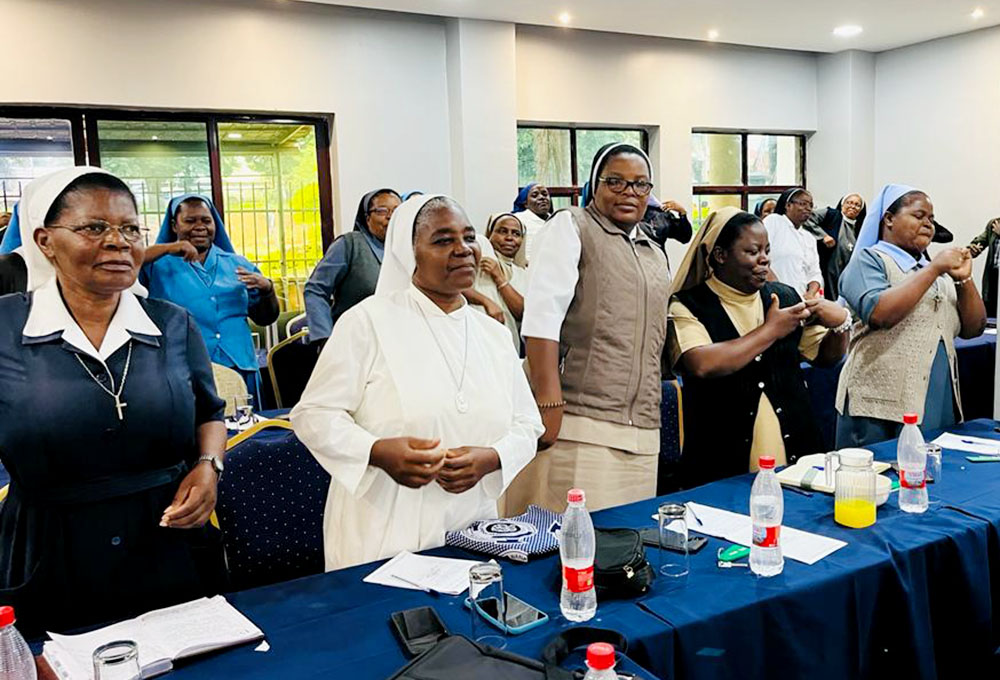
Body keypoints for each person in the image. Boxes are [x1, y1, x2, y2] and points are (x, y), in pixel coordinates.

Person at [0, 167, 227, 635]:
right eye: (94, 227)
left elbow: (209, 413)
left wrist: (208, 467)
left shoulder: (172, 323)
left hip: (168, 539)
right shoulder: (5, 328)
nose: (119, 242)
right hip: (51, 547)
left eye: (129, 229)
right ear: (45, 241)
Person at [290, 194, 542, 571]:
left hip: (472, 524)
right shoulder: (367, 322)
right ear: (409, 254)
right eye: (443, 240)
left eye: (469, 237)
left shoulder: (492, 333)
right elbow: (314, 414)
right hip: (384, 525)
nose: (463, 250)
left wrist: (491, 458)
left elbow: (528, 425)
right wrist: (376, 451)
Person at [506, 142, 671, 514]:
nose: (629, 192)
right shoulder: (572, 226)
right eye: (616, 181)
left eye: (640, 184)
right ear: (595, 185)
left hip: (642, 428)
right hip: (581, 420)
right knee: (575, 544)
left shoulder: (651, 250)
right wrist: (549, 404)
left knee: (625, 547)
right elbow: (541, 320)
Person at [669, 208, 850, 486]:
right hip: (720, 462)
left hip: (796, 456)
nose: (764, 260)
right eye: (753, 252)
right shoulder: (688, 304)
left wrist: (840, 326)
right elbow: (702, 363)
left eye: (767, 250)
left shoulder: (784, 296)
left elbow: (825, 357)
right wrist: (770, 331)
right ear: (720, 255)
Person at [836, 185, 987, 448]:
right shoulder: (870, 260)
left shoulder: (935, 272)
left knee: (926, 480)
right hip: (876, 404)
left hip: (934, 398)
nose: (928, 224)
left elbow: (973, 328)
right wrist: (936, 267)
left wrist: (964, 279)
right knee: (874, 482)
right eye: (919, 216)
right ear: (889, 219)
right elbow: (880, 313)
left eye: (931, 218)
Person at [141, 194, 278, 397]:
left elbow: (265, 318)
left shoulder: (238, 264)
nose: (200, 226)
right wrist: (169, 248)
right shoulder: (156, 266)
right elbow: (126, 259)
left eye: (206, 220)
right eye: (190, 221)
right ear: (174, 225)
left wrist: (268, 289)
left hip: (239, 366)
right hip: (184, 369)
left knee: (247, 427)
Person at [303, 188, 401, 346]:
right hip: (354, 342)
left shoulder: (408, 250)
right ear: (367, 218)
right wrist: (325, 338)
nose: (390, 217)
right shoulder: (350, 245)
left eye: (397, 211)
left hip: (395, 341)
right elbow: (315, 290)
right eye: (382, 211)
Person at [473, 212, 528, 349]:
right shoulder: (480, 250)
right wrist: (486, 302)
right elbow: (454, 287)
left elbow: (521, 312)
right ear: (490, 234)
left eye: (516, 234)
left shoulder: (522, 273)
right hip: (476, 336)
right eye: (502, 231)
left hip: (506, 343)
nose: (509, 238)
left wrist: (499, 278)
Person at [762, 188, 823, 299]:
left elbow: (814, 273)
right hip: (774, 296)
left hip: (800, 300)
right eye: (803, 204)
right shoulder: (774, 222)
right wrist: (778, 289)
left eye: (810, 205)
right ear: (788, 205)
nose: (808, 208)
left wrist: (811, 294)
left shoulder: (809, 238)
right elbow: (761, 258)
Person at [808, 193, 866, 301]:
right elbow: (808, 218)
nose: (853, 206)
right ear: (842, 204)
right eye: (849, 203)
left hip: (848, 272)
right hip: (830, 266)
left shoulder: (860, 228)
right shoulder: (831, 215)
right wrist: (823, 236)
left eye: (857, 205)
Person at [512, 182, 552, 263]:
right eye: (534, 195)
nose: (542, 197)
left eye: (545, 194)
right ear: (525, 203)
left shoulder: (557, 220)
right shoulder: (518, 219)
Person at [968, 214, 1000, 315]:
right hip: (993, 278)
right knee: (990, 314)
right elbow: (979, 242)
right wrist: (972, 249)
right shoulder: (995, 224)